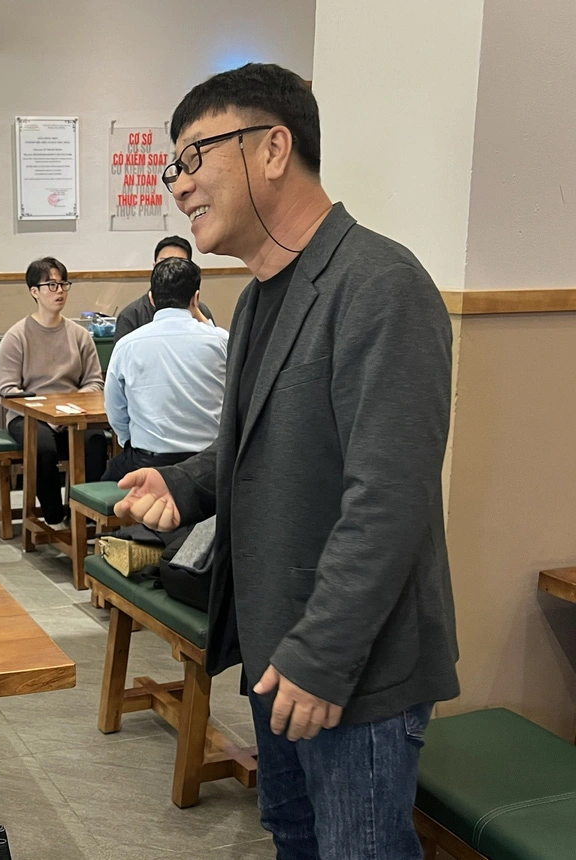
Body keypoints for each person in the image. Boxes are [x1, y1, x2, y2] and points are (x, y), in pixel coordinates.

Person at [115, 63, 458, 859]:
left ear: (274, 148)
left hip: (351, 665)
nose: (178, 184)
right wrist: (185, 480)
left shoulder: (380, 283)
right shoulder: (262, 292)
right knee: (296, 838)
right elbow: (258, 442)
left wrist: (322, 655)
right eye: (174, 165)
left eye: (194, 156)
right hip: (278, 647)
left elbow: (390, 496)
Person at [0, 257, 107, 525]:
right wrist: (44, 411)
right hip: (30, 416)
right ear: (34, 291)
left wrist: (70, 406)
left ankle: (85, 515)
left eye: (63, 285)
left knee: (95, 441)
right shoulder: (17, 335)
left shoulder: (80, 335)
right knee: (43, 446)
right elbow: (7, 390)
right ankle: (53, 516)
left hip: (73, 412)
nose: (59, 291)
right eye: (51, 285)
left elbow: (94, 382)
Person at [103, 256, 228, 482]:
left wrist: (129, 441)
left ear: (152, 298)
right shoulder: (220, 340)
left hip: (148, 462)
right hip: (209, 463)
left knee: (106, 480)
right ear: (196, 298)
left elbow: (115, 410)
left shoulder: (127, 345)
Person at [113, 235, 213, 344]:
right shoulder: (132, 315)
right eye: (164, 262)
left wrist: (195, 310)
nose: (171, 269)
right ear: (154, 266)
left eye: (179, 263)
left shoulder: (201, 310)